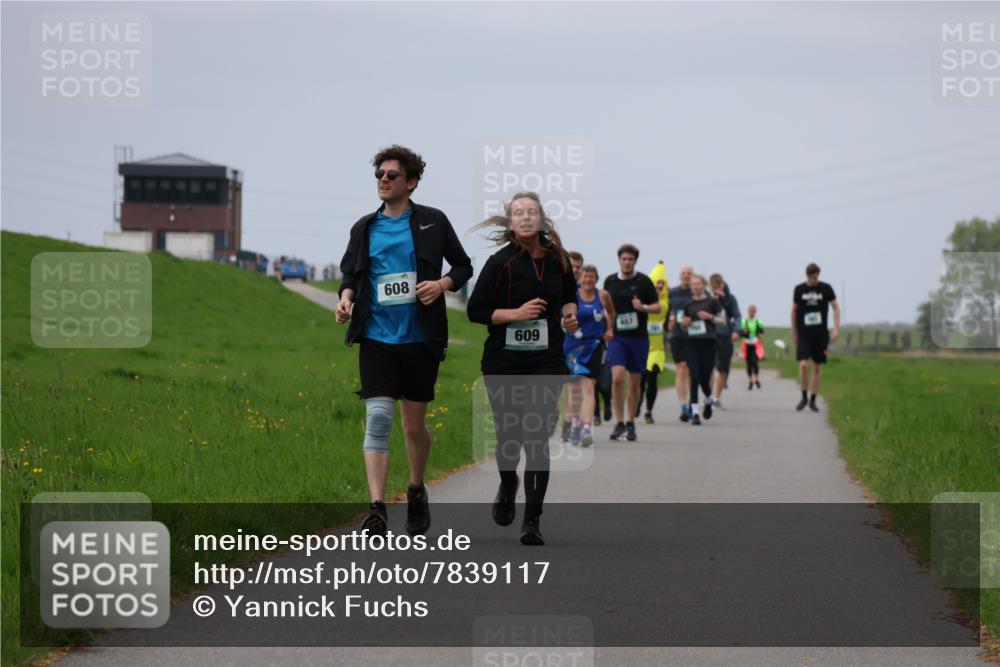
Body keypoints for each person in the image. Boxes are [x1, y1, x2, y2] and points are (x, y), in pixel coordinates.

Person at [336, 145, 473, 537]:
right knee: (378, 419)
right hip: (376, 337)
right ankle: (377, 508)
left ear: (411, 182)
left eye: (392, 175)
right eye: (379, 173)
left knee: (414, 427)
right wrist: (346, 300)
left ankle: (416, 489)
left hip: (420, 338)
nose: (383, 179)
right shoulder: (364, 227)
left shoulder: (433, 222)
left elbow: (463, 266)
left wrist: (442, 284)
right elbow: (350, 275)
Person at [467, 192, 578, 546]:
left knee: (537, 435)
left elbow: (569, 295)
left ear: (542, 219)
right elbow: (476, 311)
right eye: (519, 213)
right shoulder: (500, 262)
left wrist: (570, 314)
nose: (526, 217)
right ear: (511, 222)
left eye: (532, 212)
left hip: (547, 359)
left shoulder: (559, 260)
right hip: (504, 361)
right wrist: (515, 315)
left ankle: (532, 518)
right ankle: (509, 481)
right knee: (509, 437)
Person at [603, 244, 661, 441]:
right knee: (618, 378)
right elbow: (606, 309)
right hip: (617, 337)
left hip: (638, 338)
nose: (627, 262)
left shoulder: (643, 281)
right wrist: (607, 328)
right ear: (619, 260)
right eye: (624, 259)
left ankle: (630, 422)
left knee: (634, 383)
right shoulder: (610, 281)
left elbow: (658, 307)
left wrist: (642, 307)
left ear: (635, 261)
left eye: (630, 259)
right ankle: (619, 423)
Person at [564, 264, 615, 446]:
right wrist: (566, 324)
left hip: (594, 346)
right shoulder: (572, 296)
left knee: (588, 387)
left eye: (591, 277)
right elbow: (562, 318)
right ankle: (575, 424)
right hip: (573, 347)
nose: (588, 280)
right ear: (580, 278)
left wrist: (609, 329)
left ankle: (586, 429)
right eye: (585, 276)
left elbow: (611, 312)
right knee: (575, 389)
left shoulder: (603, 296)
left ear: (596, 279)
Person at [791, 263, 840, 412]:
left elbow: (836, 307)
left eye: (816, 277)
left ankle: (813, 399)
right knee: (804, 364)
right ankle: (803, 396)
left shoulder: (826, 288)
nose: (814, 280)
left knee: (817, 366)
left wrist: (836, 328)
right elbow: (794, 311)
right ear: (807, 276)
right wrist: (794, 332)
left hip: (820, 334)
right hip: (804, 333)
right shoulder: (799, 289)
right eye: (812, 277)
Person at [676, 274, 724, 425]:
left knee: (704, 378)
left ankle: (709, 399)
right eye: (693, 284)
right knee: (694, 376)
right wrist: (684, 323)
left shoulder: (712, 302)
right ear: (690, 286)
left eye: (698, 284)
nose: (696, 287)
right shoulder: (687, 304)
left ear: (703, 285)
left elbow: (723, 321)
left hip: (708, 343)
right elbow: (682, 325)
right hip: (692, 343)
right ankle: (695, 413)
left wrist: (710, 317)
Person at [636, 261, 669, 424]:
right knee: (640, 381)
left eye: (663, 283)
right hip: (642, 345)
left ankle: (649, 411)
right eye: (657, 283)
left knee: (652, 379)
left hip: (657, 349)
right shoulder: (641, 302)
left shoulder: (665, 303)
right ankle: (638, 401)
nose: (660, 286)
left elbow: (665, 313)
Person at [560, 251, 586, 443]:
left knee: (574, 387)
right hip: (552, 343)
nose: (575, 270)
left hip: (574, 345)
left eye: (578, 267)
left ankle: (570, 424)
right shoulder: (556, 284)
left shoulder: (585, 289)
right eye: (572, 266)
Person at [709, 274, 741, 411]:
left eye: (720, 284)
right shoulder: (707, 298)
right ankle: (709, 396)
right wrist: (715, 299)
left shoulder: (730, 299)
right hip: (709, 336)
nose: (718, 287)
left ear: (723, 283)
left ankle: (716, 398)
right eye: (715, 285)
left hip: (725, 336)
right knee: (709, 368)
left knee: (723, 369)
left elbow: (737, 316)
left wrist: (736, 330)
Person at [667, 266, 694, 421]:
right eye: (683, 273)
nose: (686, 276)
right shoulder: (673, 292)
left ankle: (692, 402)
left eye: (689, 273)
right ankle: (683, 406)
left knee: (691, 371)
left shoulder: (697, 292)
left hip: (693, 336)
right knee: (681, 369)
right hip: (677, 335)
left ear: (693, 276)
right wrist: (668, 324)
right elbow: (667, 312)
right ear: (679, 276)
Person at [741, 305, 765, 389]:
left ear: (755, 312)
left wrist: (760, 335)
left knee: (754, 362)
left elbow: (762, 331)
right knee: (748, 363)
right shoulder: (744, 321)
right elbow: (742, 332)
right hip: (747, 344)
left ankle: (757, 379)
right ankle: (750, 381)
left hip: (755, 344)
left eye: (753, 311)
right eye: (750, 311)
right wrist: (744, 332)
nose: (751, 312)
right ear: (748, 311)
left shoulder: (758, 321)